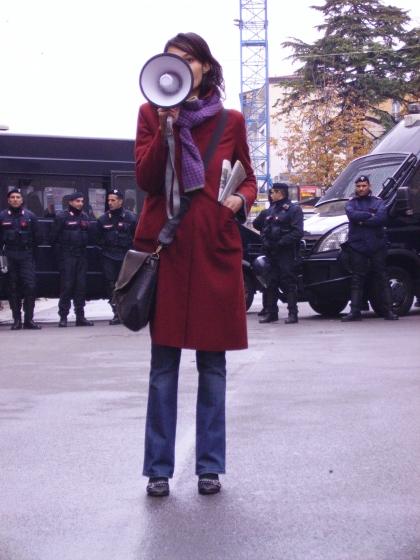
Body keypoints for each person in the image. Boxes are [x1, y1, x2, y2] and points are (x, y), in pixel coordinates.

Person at [134, 32, 257, 497]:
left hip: (212, 250)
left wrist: (235, 205)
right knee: (163, 366)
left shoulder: (230, 120)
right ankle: (159, 470)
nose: (179, 66)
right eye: (171, 59)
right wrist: (166, 129)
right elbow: (146, 179)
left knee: (213, 365)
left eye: (188, 59)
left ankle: (209, 466)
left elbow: (250, 181)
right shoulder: (150, 112)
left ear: (205, 66)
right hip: (166, 250)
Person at [341, 175, 398, 322]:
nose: (361, 188)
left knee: (382, 278)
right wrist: (369, 215)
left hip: (376, 245)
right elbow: (352, 215)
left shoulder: (378, 202)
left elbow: (381, 218)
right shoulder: (351, 203)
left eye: (364, 186)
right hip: (358, 246)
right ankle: (355, 312)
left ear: (369, 186)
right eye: (358, 186)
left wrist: (362, 220)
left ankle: (389, 311)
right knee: (357, 279)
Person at [258, 182, 304, 324]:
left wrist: (281, 243)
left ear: (280, 193)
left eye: (273, 192)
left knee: (288, 282)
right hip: (272, 252)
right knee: (270, 282)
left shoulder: (293, 210)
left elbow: (297, 232)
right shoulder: (271, 210)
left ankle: (292, 313)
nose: (271, 195)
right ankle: (272, 313)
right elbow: (265, 228)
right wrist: (265, 241)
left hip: (286, 252)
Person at [0, 189, 43, 329]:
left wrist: (31, 254)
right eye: (12, 197)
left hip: (26, 255)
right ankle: (16, 320)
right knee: (13, 287)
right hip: (10, 255)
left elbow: (38, 238)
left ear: (22, 200)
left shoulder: (30, 216)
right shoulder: (3, 216)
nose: (15, 199)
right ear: (8, 200)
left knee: (30, 287)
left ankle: (29, 320)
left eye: (18, 197)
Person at [50, 192, 94, 327]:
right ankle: (63, 317)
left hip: (81, 256)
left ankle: (80, 317)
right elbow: (53, 238)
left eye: (81, 201)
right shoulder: (62, 217)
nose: (80, 203)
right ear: (70, 202)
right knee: (67, 286)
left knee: (81, 287)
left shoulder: (85, 217)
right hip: (67, 256)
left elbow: (89, 236)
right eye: (77, 201)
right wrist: (61, 256)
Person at [97, 189, 137, 324]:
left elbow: (136, 237)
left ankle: (126, 312)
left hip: (125, 256)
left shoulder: (131, 218)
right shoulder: (103, 219)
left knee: (126, 285)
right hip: (108, 256)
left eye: (113, 200)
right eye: (108, 200)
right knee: (111, 284)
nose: (110, 203)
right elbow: (97, 239)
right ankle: (116, 312)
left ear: (120, 201)